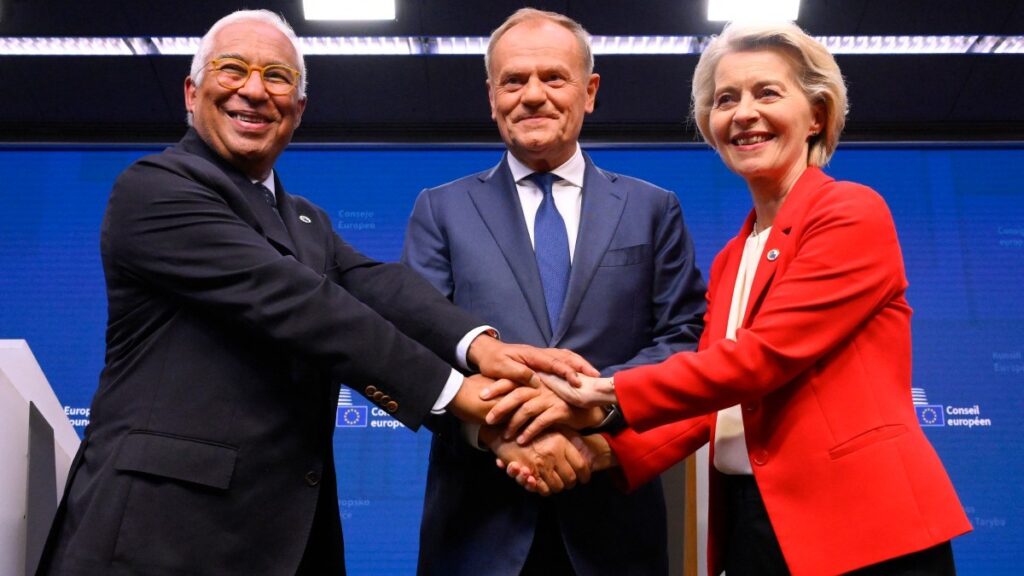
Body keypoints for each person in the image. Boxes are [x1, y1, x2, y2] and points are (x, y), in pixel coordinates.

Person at [36, 9, 594, 576]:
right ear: (191, 91)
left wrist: (482, 349)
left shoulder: (304, 221)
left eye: (277, 77)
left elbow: (378, 287)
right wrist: (461, 397)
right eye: (232, 69)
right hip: (160, 539)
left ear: (298, 110)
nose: (254, 90)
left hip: (285, 539)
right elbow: (305, 307)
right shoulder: (156, 190)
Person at [498, 21, 973, 576]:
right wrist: (600, 454)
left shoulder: (850, 212)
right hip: (757, 521)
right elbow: (715, 401)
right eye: (725, 100)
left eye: (767, 93)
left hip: (865, 528)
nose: (743, 113)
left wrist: (601, 392)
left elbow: (758, 361)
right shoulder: (732, 256)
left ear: (816, 115)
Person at [402, 8, 706, 576]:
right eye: (514, 81)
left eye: (554, 78)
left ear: (589, 92)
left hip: (614, 527)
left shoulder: (652, 209)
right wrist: (499, 431)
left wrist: (590, 401)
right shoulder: (439, 210)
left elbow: (685, 338)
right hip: (475, 531)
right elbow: (414, 345)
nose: (533, 95)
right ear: (492, 97)